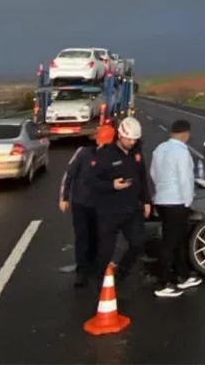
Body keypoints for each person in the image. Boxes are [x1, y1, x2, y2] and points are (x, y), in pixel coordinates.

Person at [88, 117, 151, 286]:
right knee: (106, 251)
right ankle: (98, 281)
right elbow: (92, 182)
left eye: (134, 139)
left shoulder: (136, 153)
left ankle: (122, 274)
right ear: (120, 136)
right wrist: (111, 185)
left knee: (138, 243)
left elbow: (142, 177)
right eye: (128, 139)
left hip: (132, 209)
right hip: (110, 211)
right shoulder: (104, 155)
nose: (131, 142)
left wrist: (146, 201)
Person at [149, 118, 202, 297]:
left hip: (162, 200)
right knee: (171, 243)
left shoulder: (159, 149)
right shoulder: (181, 152)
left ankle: (183, 275)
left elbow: (153, 173)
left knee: (176, 240)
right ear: (185, 134)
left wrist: (162, 189)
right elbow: (185, 179)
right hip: (176, 202)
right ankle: (163, 283)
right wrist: (188, 202)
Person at [59, 134, 103, 287]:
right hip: (81, 203)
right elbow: (69, 175)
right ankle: (82, 270)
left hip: (101, 205)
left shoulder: (112, 154)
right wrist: (64, 198)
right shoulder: (83, 153)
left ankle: (95, 265)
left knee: (97, 235)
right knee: (82, 236)